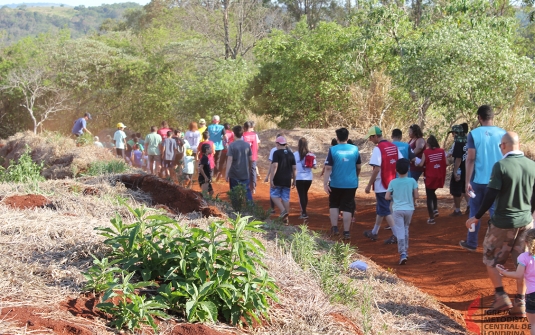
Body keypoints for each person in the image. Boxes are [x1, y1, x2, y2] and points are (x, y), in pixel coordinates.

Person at [466, 131, 535, 316]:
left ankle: (500, 297)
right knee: (524, 262)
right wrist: (530, 215)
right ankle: (520, 302)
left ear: (503, 146)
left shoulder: (501, 166)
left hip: (503, 222)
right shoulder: (532, 165)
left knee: (490, 258)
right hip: (526, 222)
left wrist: (477, 216)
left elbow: (491, 194)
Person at [460, 105, 507, 252]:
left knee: (475, 211)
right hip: (498, 181)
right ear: (492, 117)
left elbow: (471, 159)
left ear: (479, 117)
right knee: (496, 213)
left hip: (478, 180)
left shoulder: (474, 134)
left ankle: (472, 242)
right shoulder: (503, 133)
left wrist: (467, 181)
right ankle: (497, 245)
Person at [364, 126, 402, 244]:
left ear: (375, 136)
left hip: (381, 184)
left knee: (385, 210)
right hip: (392, 181)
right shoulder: (393, 146)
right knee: (381, 209)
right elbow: (401, 162)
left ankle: (397, 235)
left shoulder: (378, 149)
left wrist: (369, 185)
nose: (370, 140)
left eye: (371, 138)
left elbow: (376, 169)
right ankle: (374, 232)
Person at [323, 128, 361, 240]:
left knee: (334, 204)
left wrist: (325, 183)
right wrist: (355, 176)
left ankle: (334, 228)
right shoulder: (355, 149)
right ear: (347, 138)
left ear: (337, 138)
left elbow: (328, 168)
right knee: (348, 206)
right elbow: (358, 167)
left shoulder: (333, 149)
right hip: (351, 183)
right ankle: (346, 232)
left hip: (335, 183)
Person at [497, 229, 535, 331]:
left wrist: (504, 272)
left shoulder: (524, 257)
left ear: (526, 242)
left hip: (532, 295)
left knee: (533, 324)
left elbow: (518, 275)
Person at [385, 159, 419, 265]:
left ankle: (403, 253)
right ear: (408, 169)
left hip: (397, 209)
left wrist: (394, 197)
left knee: (400, 230)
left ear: (396, 170)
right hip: (409, 209)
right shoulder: (412, 181)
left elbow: (387, 197)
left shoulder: (393, 182)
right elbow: (416, 196)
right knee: (406, 228)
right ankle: (406, 251)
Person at [417, 135, 447, 224]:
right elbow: (447, 163)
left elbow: (421, 164)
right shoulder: (442, 151)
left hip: (430, 177)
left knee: (429, 196)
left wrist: (416, 162)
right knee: (433, 192)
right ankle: (435, 209)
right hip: (439, 176)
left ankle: (431, 218)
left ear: (428, 144)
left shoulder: (426, 152)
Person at [269, 136, 296, 224]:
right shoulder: (291, 153)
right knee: (285, 198)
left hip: (278, 178)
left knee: (273, 195)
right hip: (287, 179)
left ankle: (283, 211)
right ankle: (286, 220)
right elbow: (294, 168)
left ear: (277, 144)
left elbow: (274, 166)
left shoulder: (276, 153)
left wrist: (272, 178)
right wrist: (294, 180)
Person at [225, 125, 253, 203]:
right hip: (245, 173)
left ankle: (236, 210)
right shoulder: (247, 145)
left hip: (234, 174)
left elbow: (229, 160)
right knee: (247, 191)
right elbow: (251, 159)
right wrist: (249, 169)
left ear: (234, 134)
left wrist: (226, 174)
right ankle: (251, 209)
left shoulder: (232, 145)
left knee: (234, 192)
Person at [448, 123, 469, 216]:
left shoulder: (458, 142)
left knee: (456, 189)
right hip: (469, 168)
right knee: (466, 189)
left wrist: (455, 171)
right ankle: (469, 207)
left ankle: (457, 210)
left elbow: (458, 158)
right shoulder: (469, 140)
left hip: (461, 169)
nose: (453, 135)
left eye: (453, 133)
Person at [294, 137, 316, 220]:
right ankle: (304, 211)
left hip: (299, 177)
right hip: (308, 177)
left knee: (301, 194)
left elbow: (293, 166)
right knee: (305, 193)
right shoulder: (310, 154)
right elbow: (315, 166)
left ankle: (304, 212)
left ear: (298, 144)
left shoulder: (295, 154)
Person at [264, 133, 284, 214]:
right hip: (284, 174)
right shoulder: (288, 150)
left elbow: (272, 164)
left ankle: (273, 208)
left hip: (275, 174)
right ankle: (282, 209)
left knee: (273, 191)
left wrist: (268, 176)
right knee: (283, 192)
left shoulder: (274, 150)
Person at [243, 121, 259, 194]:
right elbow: (258, 144)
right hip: (253, 156)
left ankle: (245, 186)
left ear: (245, 127)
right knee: (253, 171)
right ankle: (253, 188)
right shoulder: (255, 135)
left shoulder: (243, 135)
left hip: (244, 157)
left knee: (245, 171)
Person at [207, 115, 225, 179]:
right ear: (219, 121)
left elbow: (205, 135)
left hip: (210, 146)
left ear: (212, 120)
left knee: (211, 160)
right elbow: (225, 135)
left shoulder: (209, 127)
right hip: (219, 146)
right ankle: (216, 173)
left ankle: (211, 174)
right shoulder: (222, 127)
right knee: (217, 160)